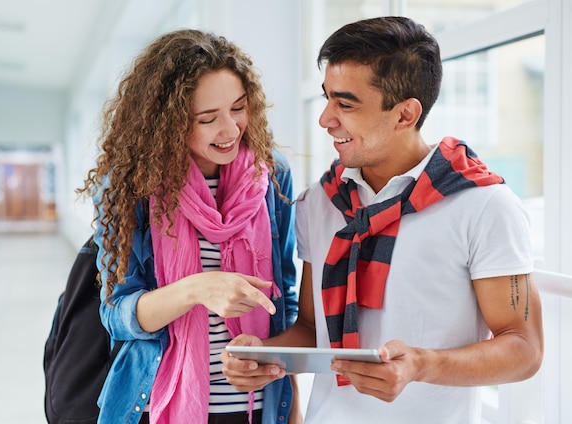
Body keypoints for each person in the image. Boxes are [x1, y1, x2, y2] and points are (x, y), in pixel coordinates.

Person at [221, 16, 544, 423]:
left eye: (346, 104)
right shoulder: (320, 202)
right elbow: (310, 327)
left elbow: (524, 348)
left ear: (406, 114)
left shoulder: (485, 206)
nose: (325, 119)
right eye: (326, 98)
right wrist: (265, 357)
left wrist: (421, 365)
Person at [78, 29, 300, 424]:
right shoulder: (132, 184)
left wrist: (272, 360)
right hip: (157, 403)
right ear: (170, 121)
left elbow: (285, 301)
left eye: (238, 108)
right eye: (208, 118)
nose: (231, 129)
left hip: (254, 408)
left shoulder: (272, 176)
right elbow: (117, 315)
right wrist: (197, 289)